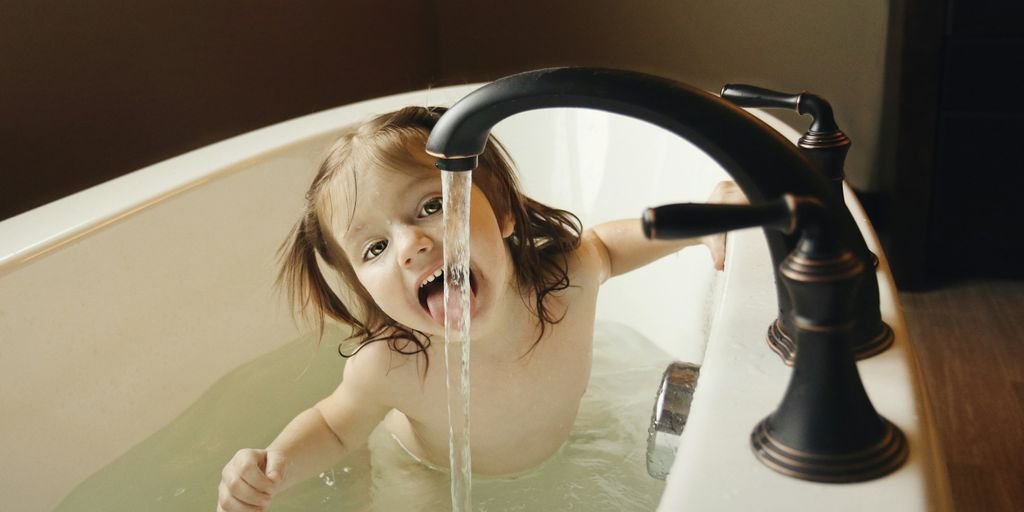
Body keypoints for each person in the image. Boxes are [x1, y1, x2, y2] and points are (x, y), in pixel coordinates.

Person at [216, 106, 742, 512]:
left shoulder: (565, 284)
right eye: (375, 248)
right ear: (363, 289)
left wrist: (700, 221)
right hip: (424, 474)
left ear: (503, 209)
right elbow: (335, 427)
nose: (410, 245)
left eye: (432, 205)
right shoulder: (393, 363)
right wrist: (275, 463)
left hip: (557, 452)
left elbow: (608, 245)